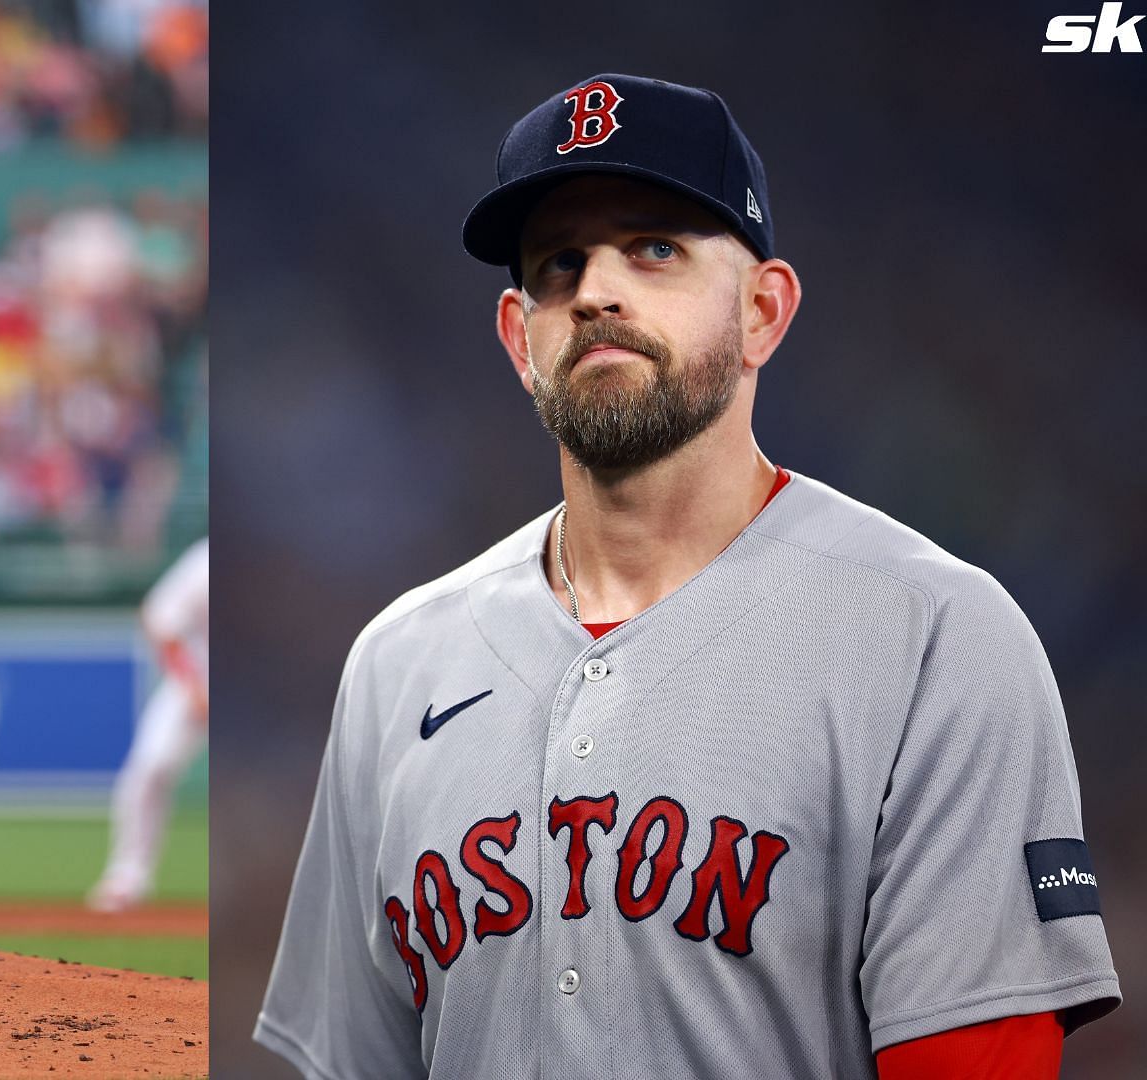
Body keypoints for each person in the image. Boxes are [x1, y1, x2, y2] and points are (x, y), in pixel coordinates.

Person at [254, 74, 1119, 1079]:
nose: (597, 290)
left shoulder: (934, 634)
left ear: (762, 309)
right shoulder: (397, 662)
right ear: (517, 339)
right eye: (559, 264)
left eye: (654, 248)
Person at [89, 537, 209, 912]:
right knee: (150, 767)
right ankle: (127, 875)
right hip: (196, 681)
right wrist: (191, 686)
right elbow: (159, 618)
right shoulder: (205, 559)